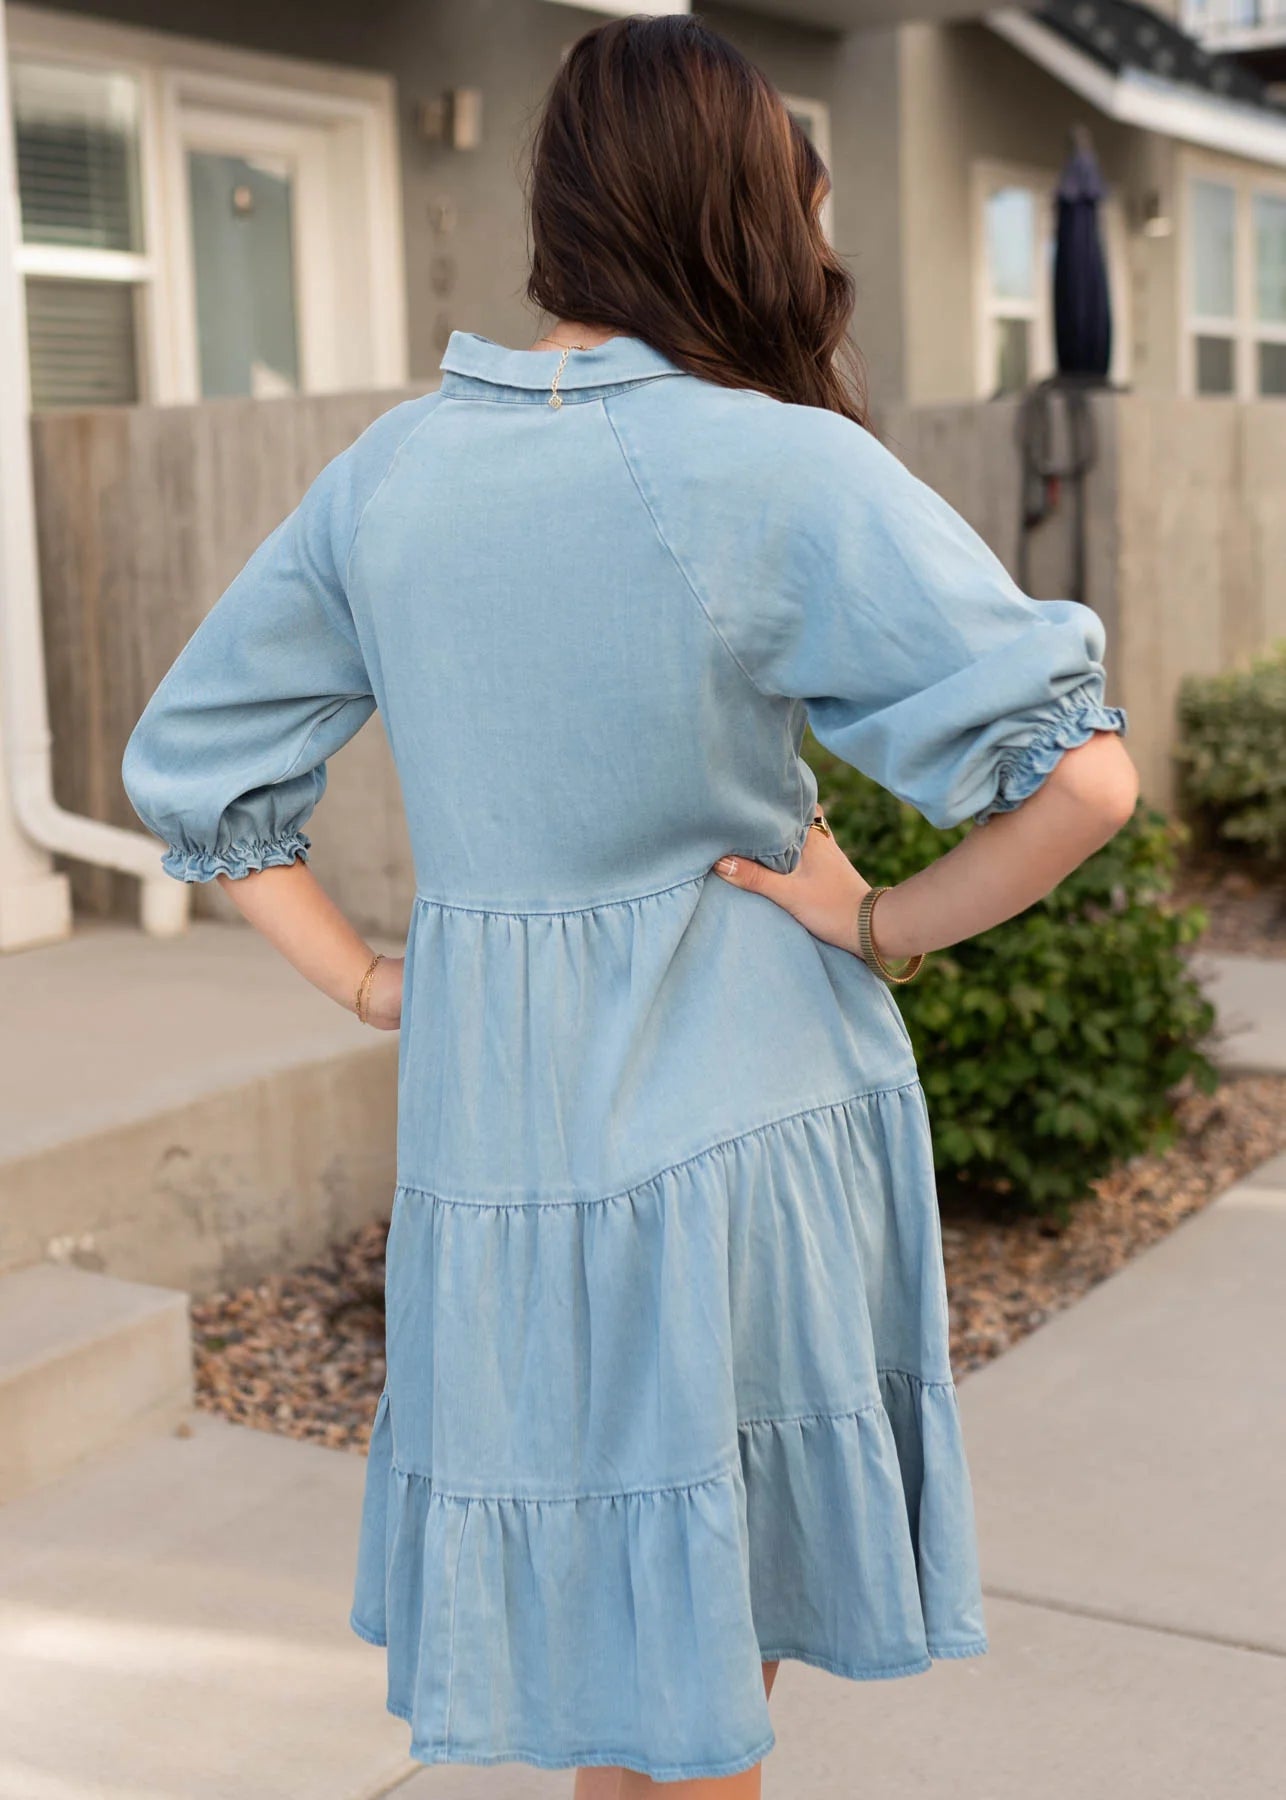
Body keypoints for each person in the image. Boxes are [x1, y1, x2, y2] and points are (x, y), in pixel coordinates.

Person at [120, 13, 1137, 1797]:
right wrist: (881, 925)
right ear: (744, 207)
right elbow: (1084, 780)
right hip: (740, 1127)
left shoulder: (390, 476)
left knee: (617, 1662)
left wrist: (368, 981)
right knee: (701, 1659)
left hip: (497, 1142)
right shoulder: (772, 464)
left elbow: (192, 769)